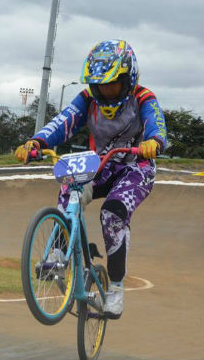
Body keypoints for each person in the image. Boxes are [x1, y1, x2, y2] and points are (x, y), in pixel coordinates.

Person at [15, 39, 167, 319]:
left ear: (128, 79)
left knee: (113, 213)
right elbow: (63, 121)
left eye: (113, 85)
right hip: (101, 165)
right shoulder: (87, 99)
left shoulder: (143, 98)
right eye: (100, 86)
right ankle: (58, 255)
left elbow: (155, 122)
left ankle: (116, 288)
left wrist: (154, 140)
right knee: (69, 185)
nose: (106, 93)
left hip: (136, 168)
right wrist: (36, 141)